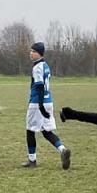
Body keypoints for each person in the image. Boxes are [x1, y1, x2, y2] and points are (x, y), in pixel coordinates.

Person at [21, 41, 70, 169]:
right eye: (30, 51)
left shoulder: (37, 67)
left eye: (34, 52)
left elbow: (40, 86)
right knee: (46, 131)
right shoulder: (46, 65)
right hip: (49, 101)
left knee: (30, 130)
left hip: (38, 103)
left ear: (40, 53)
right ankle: (62, 149)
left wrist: (40, 106)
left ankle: (32, 160)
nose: (31, 54)